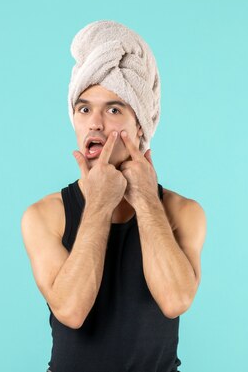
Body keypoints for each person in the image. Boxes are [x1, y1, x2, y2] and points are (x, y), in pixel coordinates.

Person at [21, 20, 207, 372]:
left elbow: (175, 300)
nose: (95, 123)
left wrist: (147, 201)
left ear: (141, 126)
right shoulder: (44, 215)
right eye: (84, 108)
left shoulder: (184, 212)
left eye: (114, 109)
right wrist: (99, 204)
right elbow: (71, 311)